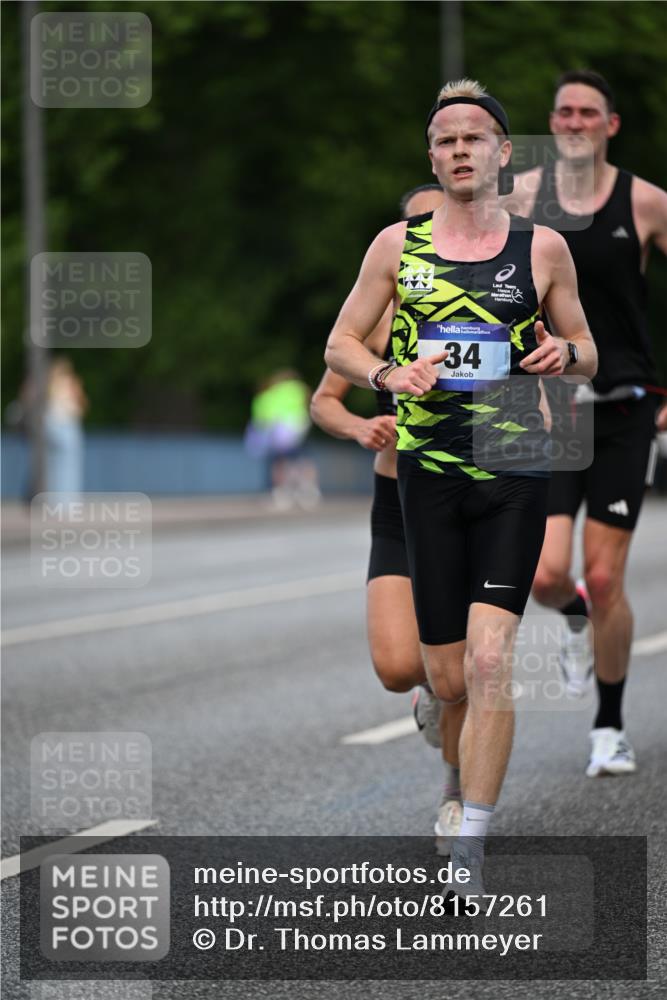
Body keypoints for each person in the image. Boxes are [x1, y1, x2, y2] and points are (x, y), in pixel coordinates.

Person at [325, 78, 597, 902]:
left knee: (488, 662)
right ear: (433, 158)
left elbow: (586, 346)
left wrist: (565, 358)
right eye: (443, 141)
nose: (458, 151)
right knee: (444, 679)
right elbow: (338, 343)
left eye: (472, 138)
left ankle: (468, 843)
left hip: (514, 461)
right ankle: (450, 750)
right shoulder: (394, 246)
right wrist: (385, 372)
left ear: (503, 152)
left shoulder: (541, 249)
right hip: (428, 471)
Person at [506, 70, 667, 777]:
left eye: (587, 112)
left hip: (623, 408)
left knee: (605, 579)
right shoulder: (517, 198)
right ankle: (568, 612)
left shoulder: (646, 202)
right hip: (545, 408)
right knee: (542, 575)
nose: (573, 121)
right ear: (553, 121)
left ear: (610, 125)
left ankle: (608, 726)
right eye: (563, 111)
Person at [311, 183, 467, 856]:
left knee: (458, 666)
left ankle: (457, 793)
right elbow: (323, 401)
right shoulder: (374, 324)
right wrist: (359, 425)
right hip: (398, 500)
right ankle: (430, 695)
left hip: (470, 500)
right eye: (417, 225)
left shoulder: (489, 308)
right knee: (398, 667)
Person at [245, 369, 321, 509]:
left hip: (280, 432)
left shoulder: (269, 395)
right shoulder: (299, 387)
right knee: (302, 459)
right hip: (300, 426)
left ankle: (282, 492)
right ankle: (308, 491)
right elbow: (311, 402)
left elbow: (262, 419)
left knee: (280, 462)